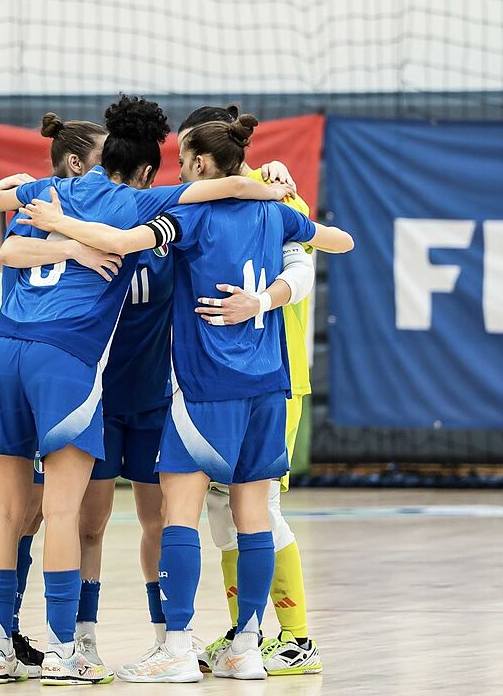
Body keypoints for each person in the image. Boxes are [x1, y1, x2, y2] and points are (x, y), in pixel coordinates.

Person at [15, 111, 353, 683]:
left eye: (182, 160)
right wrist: (274, 214)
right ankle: (247, 646)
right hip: (268, 385)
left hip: (205, 388)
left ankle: (175, 646)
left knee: (180, 514)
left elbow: (120, 241)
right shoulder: (276, 211)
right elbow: (340, 241)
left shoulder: (188, 216)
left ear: (198, 163)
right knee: (254, 514)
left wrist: (59, 222)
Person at [0, 115, 115, 679]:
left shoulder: (32, 199)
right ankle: (59, 648)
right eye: (105, 157)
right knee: (53, 512)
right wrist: (76, 246)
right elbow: (3, 251)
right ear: (77, 162)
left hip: (5, 352)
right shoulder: (96, 204)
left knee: (11, 513)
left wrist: (6, 208)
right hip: (58, 359)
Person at [177, 106, 326, 676]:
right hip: (225, 380)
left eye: (190, 154)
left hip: (274, 378)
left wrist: (260, 301)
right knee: (224, 510)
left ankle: (297, 638)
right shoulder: (211, 203)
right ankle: (247, 633)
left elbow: (306, 267)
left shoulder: (277, 196)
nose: (184, 167)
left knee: (259, 507)